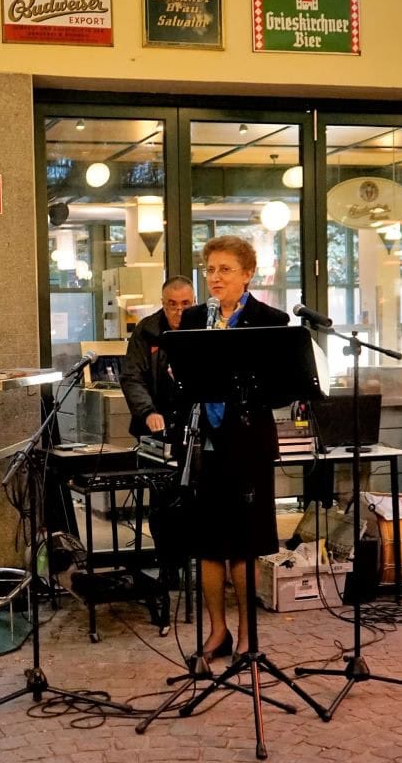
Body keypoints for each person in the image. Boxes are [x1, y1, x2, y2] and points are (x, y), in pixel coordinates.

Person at [177, 235, 289, 662]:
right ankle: (217, 632)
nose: (215, 277)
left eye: (225, 269)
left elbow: (280, 390)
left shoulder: (270, 320)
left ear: (247, 274)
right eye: (210, 269)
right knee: (207, 543)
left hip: (248, 442)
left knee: (243, 543)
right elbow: (181, 383)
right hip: (205, 442)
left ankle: (248, 636)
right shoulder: (192, 321)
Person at [119, 275, 195, 438]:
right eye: (172, 304)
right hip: (154, 422)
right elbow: (132, 377)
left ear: (194, 302)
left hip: (194, 423)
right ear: (163, 303)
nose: (179, 312)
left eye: (185, 304)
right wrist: (147, 412)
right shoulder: (146, 330)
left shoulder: (205, 329)